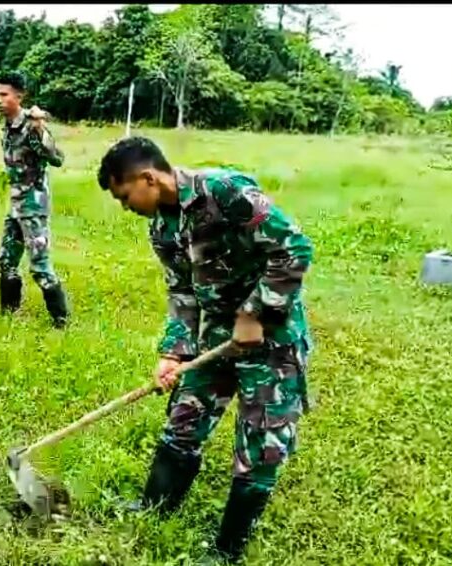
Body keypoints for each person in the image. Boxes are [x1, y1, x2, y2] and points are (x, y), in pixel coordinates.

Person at [96, 136, 314, 562]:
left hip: (272, 342)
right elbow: (182, 292)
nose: (125, 206)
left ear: (148, 178)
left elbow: (294, 249)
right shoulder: (162, 227)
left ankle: (227, 550)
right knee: (183, 422)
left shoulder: (226, 192)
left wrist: (254, 313)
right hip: (214, 340)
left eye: (125, 196)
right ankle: (155, 507)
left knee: (260, 447)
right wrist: (173, 352)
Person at [0, 71, 70, 328]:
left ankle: (61, 321)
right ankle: (9, 314)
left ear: (19, 96)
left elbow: (56, 158)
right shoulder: (7, 125)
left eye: (3, 95)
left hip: (33, 207)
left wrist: (39, 129)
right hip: (15, 206)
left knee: (39, 265)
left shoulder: (31, 125)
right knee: (5, 260)